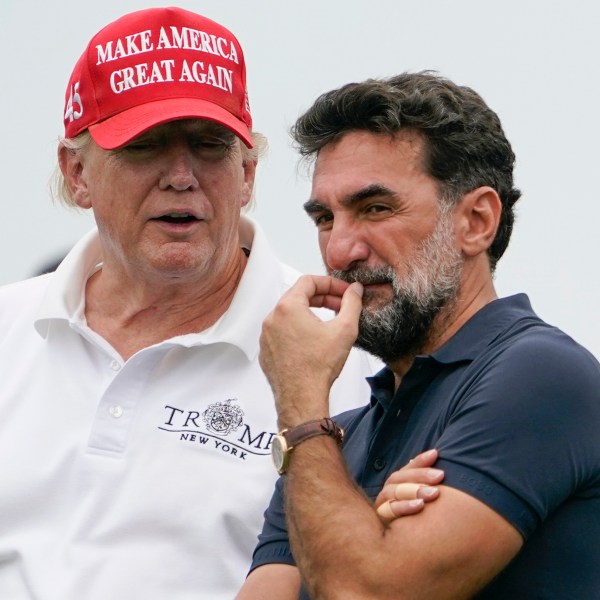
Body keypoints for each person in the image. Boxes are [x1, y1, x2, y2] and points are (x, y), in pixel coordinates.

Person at [0, 8, 383, 600]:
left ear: (248, 173)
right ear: (76, 173)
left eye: (209, 147)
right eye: (145, 146)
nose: (181, 176)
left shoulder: (343, 352)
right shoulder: (8, 329)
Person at [237, 71, 600, 599]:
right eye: (324, 218)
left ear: (477, 221)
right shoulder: (335, 437)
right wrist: (365, 527)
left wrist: (299, 405)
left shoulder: (542, 375)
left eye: (375, 209)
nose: (340, 251)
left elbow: (366, 593)